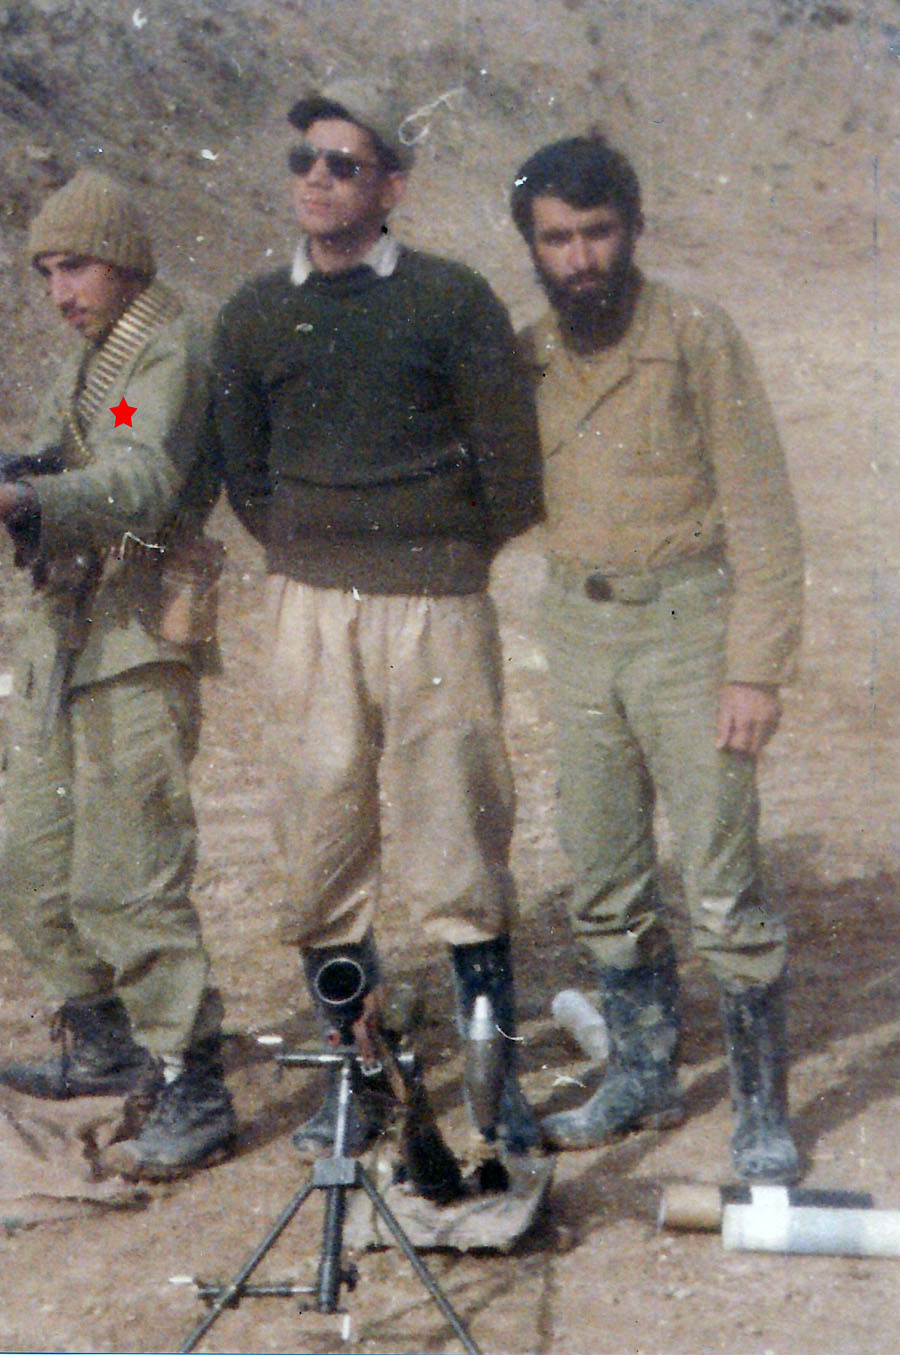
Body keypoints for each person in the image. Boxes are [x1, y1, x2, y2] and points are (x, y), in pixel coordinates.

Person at [210, 77, 544, 1160]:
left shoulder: (452, 301)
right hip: (310, 606)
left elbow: (512, 468)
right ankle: (355, 1079)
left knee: (459, 829)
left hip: (436, 604)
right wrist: (313, 549)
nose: (317, 179)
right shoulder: (254, 312)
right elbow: (244, 469)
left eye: (344, 164)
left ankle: (497, 1085)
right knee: (319, 831)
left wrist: (437, 550)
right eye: (304, 160)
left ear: (391, 185)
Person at [510, 135, 805, 1182]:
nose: (580, 258)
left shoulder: (694, 336)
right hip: (579, 625)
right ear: (533, 248)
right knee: (603, 868)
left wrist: (755, 667)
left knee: (721, 877)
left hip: (688, 623)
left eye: (597, 232)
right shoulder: (528, 355)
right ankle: (641, 1073)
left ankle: (761, 1106)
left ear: (632, 229)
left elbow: (763, 508)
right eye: (557, 239)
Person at [0, 168, 236, 1179]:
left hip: (136, 634)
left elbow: (139, 471)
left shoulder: (163, 349)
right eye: (48, 271)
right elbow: (72, 446)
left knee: (130, 874)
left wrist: (28, 503)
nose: (61, 291)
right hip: (68, 631)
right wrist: (23, 472)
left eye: (78, 266)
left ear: (126, 261)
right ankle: (104, 1041)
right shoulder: (101, 359)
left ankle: (191, 1079)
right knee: (28, 855)